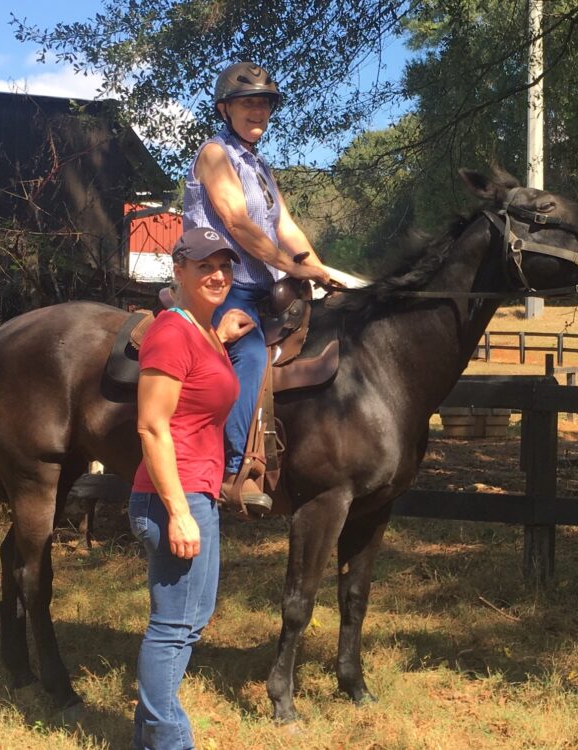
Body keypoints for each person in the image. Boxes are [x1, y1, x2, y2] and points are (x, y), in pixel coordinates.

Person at [182, 60, 331, 516]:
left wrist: (320, 270)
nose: (259, 112)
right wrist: (290, 266)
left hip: (262, 289)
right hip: (220, 286)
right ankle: (235, 471)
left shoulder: (261, 168)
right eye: (249, 104)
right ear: (225, 109)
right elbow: (236, 222)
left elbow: (284, 225)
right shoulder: (214, 154)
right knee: (247, 355)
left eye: (265, 105)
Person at [130, 227, 252, 749]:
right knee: (173, 627)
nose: (218, 274)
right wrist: (178, 511)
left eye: (224, 266)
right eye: (204, 265)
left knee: (192, 621)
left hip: (195, 493)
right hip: (171, 498)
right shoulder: (171, 331)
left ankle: (147, 739)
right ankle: (170, 739)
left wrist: (219, 337)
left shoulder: (198, 332)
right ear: (178, 270)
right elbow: (152, 426)